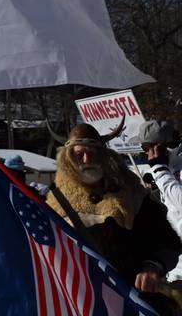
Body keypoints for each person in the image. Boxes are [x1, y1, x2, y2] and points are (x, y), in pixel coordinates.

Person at [48, 122, 181, 315]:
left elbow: (167, 241)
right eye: (79, 154)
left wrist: (152, 266)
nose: (87, 159)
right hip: (80, 300)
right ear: (68, 159)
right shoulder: (54, 201)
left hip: (131, 299)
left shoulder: (130, 192)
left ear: (103, 155)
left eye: (93, 152)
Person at [141, 120, 182, 283]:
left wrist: (160, 172)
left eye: (147, 148)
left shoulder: (164, 169)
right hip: (176, 266)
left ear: (162, 146)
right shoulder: (167, 167)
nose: (147, 154)